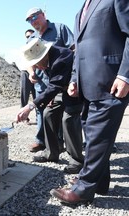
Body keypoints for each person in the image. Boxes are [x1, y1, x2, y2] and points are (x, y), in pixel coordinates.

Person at [50, 0, 129, 204]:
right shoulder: (79, 12)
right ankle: (100, 181)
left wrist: (125, 75)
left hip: (111, 81)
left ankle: (83, 190)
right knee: (94, 134)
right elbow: (80, 50)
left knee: (97, 137)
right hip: (87, 85)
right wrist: (75, 78)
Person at [25, 8, 84, 174]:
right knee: (48, 113)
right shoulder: (37, 46)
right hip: (57, 87)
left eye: (39, 63)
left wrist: (29, 106)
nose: (38, 67)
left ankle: (77, 160)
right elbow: (53, 84)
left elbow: (75, 54)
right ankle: (51, 152)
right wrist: (48, 95)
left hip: (73, 86)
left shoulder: (61, 54)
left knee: (69, 119)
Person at [20, 29, 36, 124]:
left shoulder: (39, 48)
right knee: (24, 95)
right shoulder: (24, 49)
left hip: (36, 74)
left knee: (37, 95)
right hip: (25, 73)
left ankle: (39, 116)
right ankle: (23, 117)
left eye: (31, 35)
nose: (29, 37)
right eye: (27, 36)